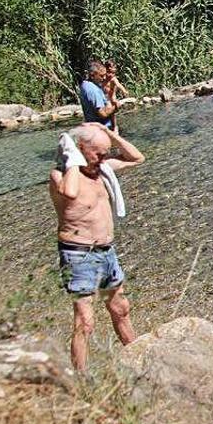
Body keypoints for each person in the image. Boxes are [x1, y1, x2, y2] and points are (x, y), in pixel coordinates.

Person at [50, 123, 145, 372]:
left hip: (106, 251)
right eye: (98, 153)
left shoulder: (102, 170)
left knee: (121, 309)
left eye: (106, 152)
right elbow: (70, 193)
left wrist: (110, 136)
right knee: (85, 322)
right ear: (80, 149)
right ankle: (80, 380)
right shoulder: (61, 175)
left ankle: (137, 361)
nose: (104, 158)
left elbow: (137, 157)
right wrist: (72, 157)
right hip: (78, 254)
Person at [79, 62, 118, 131]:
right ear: (92, 75)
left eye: (105, 75)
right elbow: (103, 114)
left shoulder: (84, 85)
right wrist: (116, 106)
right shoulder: (93, 90)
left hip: (92, 127)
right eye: (101, 76)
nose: (104, 78)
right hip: (102, 129)